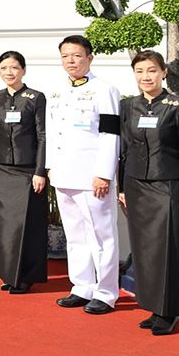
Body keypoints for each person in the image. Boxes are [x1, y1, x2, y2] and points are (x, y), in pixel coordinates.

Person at [118, 50, 179, 335]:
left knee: (168, 248)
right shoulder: (128, 106)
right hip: (136, 185)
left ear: (163, 72)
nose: (145, 77)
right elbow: (122, 150)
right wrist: (122, 186)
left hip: (167, 186)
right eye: (139, 71)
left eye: (151, 70)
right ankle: (153, 306)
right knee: (145, 249)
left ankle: (170, 310)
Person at [46, 34, 121, 315]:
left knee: (102, 236)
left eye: (77, 55)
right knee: (75, 235)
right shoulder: (57, 91)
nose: (71, 61)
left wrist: (104, 173)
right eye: (65, 56)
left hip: (92, 177)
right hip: (64, 174)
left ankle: (106, 291)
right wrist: (51, 167)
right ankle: (82, 286)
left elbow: (111, 134)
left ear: (89, 57)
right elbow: (53, 133)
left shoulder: (105, 89)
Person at [0, 50, 48, 294]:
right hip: (1, 169)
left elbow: (42, 136)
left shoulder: (35, 98)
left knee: (25, 224)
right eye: (3, 68)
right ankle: (8, 273)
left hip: (27, 170)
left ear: (23, 70)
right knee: (5, 225)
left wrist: (40, 170)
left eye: (13, 68)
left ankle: (25, 276)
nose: (8, 73)